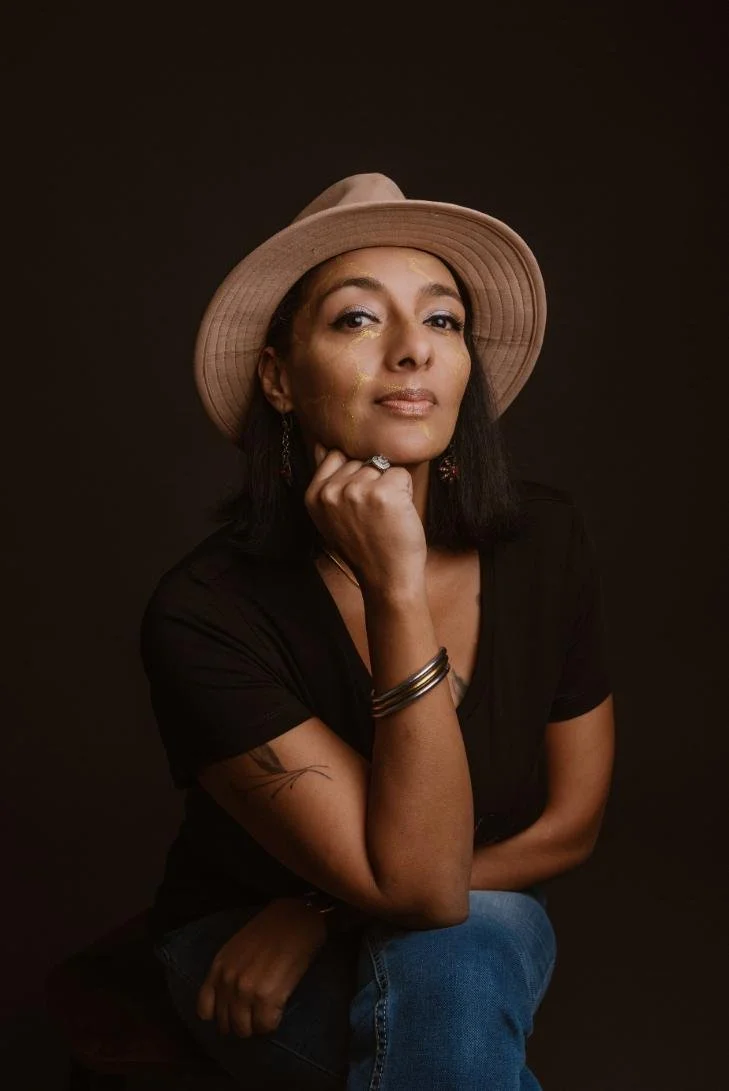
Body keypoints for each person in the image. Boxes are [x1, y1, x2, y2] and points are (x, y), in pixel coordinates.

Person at [140, 173, 615, 1090]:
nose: (412, 352)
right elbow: (422, 890)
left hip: (333, 923)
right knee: (473, 943)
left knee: (466, 937)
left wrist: (316, 910)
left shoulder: (545, 537)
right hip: (238, 944)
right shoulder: (204, 610)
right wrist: (397, 589)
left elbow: (569, 824)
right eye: (358, 320)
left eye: (441, 321)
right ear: (278, 375)